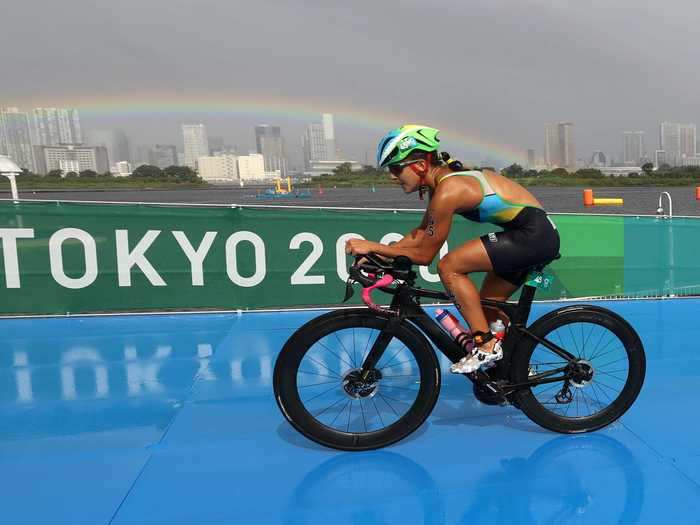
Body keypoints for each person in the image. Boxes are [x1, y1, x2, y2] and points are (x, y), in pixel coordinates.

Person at [345, 125, 560, 373]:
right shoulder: (441, 186)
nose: (392, 176)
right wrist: (379, 253)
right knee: (486, 307)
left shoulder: (449, 190)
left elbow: (425, 255)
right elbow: (420, 233)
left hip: (532, 235)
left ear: (420, 165)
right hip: (532, 235)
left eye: (396, 168)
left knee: (449, 266)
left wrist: (373, 246)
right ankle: (514, 368)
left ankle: (486, 346)